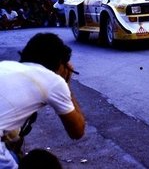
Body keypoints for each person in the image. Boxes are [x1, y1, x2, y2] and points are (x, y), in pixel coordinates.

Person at [0, 33, 85, 168]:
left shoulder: (6, 65)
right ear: (61, 64)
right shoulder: (53, 80)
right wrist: (66, 84)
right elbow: (77, 131)